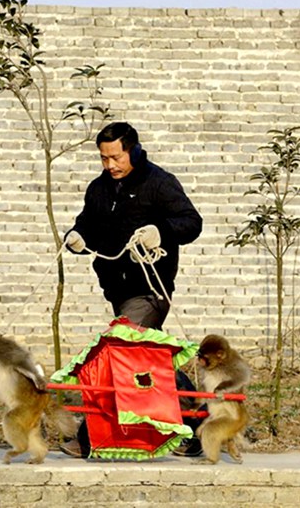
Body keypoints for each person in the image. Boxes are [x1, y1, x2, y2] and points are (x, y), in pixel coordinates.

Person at [61, 121, 204, 458]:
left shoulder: (159, 183)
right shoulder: (99, 189)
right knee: (150, 362)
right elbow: (88, 224)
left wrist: (161, 231)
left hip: (151, 289)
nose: (110, 165)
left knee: (115, 353)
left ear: (133, 151)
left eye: (116, 157)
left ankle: (89, 438)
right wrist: (77, 236)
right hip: (118, 290)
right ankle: (199, 423)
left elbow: (191, 222)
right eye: (103, 158)